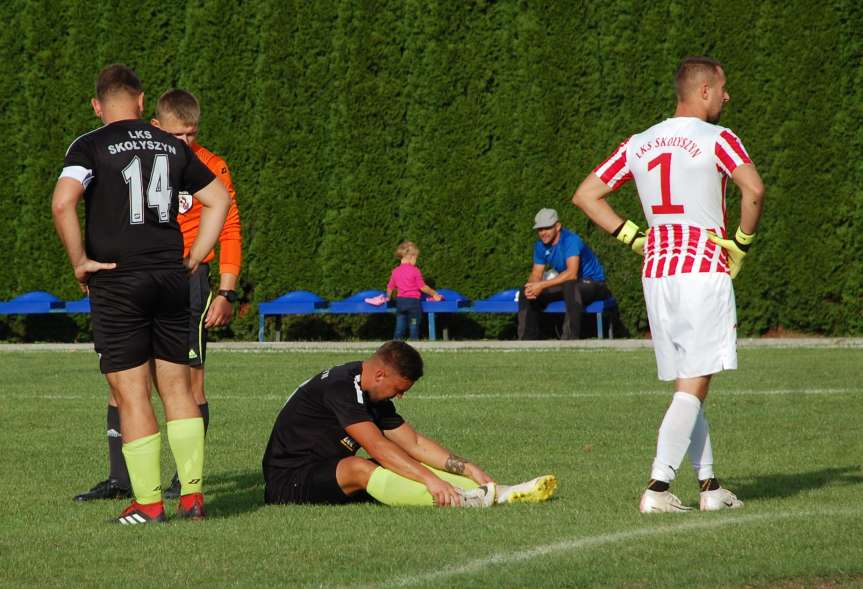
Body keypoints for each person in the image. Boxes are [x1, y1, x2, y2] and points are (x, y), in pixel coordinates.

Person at [571, 56, 765, 512]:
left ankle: (710, 487)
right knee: (694, 383)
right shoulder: (719, 139)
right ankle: (658, 489)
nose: (726, 96)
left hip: (658, 269)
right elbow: (753, 190)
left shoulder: (639, 142)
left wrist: (630, 235)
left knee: (689, 381)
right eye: (722, 88)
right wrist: (741, 242)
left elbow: (586, 195)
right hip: (701, 264)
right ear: (703, 92)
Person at [52, 64, 231, 524]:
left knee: (130, 393)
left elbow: (62, 201)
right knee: (177, 386)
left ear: (97, 105)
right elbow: (219, 201)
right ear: (140, 99)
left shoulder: (89, 144)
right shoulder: (171, 144)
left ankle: (149, 504)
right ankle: (192, 497)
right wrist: (197, 255)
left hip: (118, 281)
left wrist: (79, 261)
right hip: (172, 277)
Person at [262, 341, 557, 507]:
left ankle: (499, 492)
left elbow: (413, 443)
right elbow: (377, 446)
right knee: (363, 467)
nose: (400, 396)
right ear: (380, 376)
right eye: (399, 389)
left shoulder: (370, 390)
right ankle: (465, 502)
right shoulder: (341, 388)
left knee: (399, 462)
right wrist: (432, 481)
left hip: (323, 471)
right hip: (288, 482)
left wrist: (467, 468)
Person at [518, 208, 610, 340]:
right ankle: (526, 340)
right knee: (526, 290)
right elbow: (536, 273)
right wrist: (532, 287)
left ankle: (569, 339)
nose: (543, 233)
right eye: (540, 229)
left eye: (547, 228)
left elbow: (572, 274)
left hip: (594, 284)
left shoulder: (571, 240)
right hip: (569, 284)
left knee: (571, 286)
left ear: (558, 226)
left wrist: (541, 285)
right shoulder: (540, 246)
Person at [386, 241, 442, 341]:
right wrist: (434, 293)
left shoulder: (395, 271)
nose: (416, 260)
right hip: (413, 303)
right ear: (411, 257)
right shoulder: (415, 270)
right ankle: (414, 342)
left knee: (400, 325)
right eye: (416, 258)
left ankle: (395, 343)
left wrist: (388, 298)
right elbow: (423, 287)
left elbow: (390, 287)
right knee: (413, 324)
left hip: (401, 302)